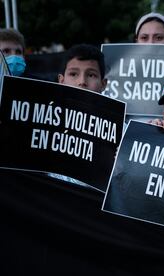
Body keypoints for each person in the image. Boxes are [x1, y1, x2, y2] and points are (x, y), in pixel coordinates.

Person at [49, 44, 108, 188]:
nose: (82, 81)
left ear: (103, 84)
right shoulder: (43, 121)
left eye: (91, 75)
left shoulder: (120, 129)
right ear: (61, 80)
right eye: (73, 74)